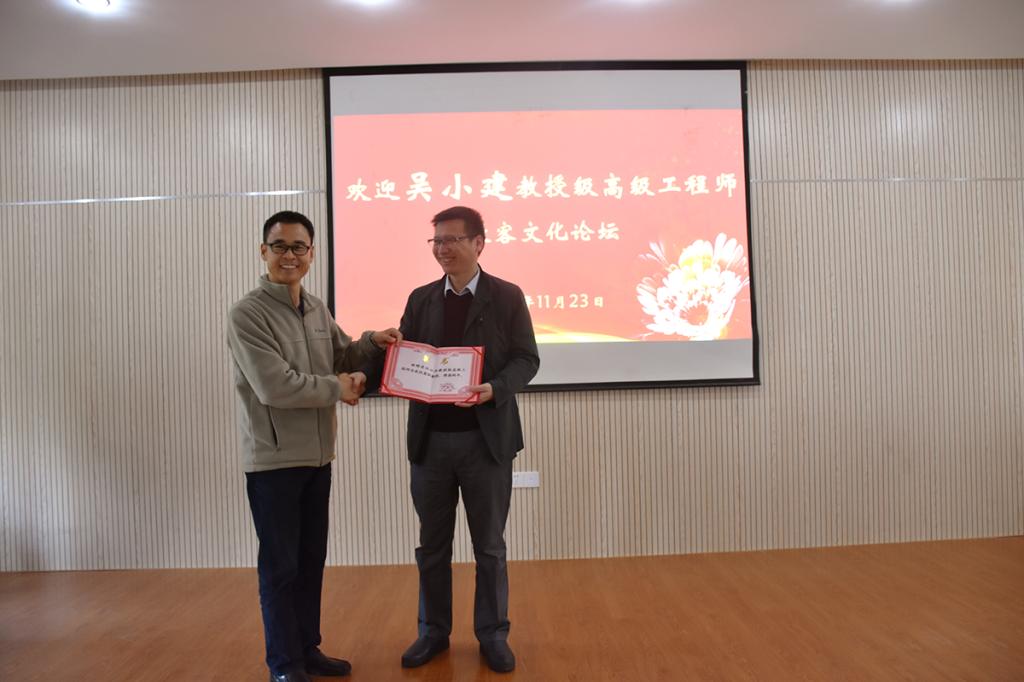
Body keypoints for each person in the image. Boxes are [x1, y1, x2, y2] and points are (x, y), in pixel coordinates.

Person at [227, 210, 400, 682]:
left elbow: (342, 355)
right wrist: (337, 388)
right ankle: (284, 665)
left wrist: (373, 342)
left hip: (319, 457)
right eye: (280, 246)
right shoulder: (247, 314)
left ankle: (307, 649)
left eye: (298, 247)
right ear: (263, 251)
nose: (290, 255)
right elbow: (275, 385)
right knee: (280, 568)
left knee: (309, 563)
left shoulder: (316, 308)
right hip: (274, 462)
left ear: (311, 254)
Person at [385, 205, 540, 673]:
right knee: (432, 546)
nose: (442, 249)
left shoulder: (507, 296)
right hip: (430, 444)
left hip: (485, 442)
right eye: (436, 241)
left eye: (451, 240)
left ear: (478, 243)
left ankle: (492, 635)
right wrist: (389, 365)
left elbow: (526, 359)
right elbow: (407, 357)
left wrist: (495, 388)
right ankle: (433, 632)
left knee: (489, 547)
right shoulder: (421, 299)